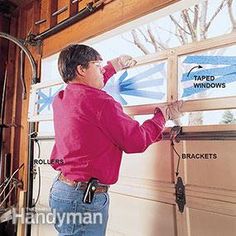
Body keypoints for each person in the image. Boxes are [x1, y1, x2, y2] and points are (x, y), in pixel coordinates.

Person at [49, 44, 182, 236]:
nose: (102, 71)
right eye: (97, 65)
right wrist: (162, 116)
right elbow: (136, 141)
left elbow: (85, 87)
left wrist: (114, 66)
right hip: (83, 199)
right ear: (81, 69)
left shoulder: (61, 97)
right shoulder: (101, 103)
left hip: (62, 191)